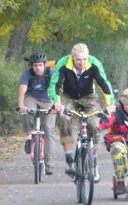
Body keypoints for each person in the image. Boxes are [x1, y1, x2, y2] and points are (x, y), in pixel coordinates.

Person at [48, 43, 116, 183]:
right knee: (64, 119)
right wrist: (57, 102)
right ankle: (69, 160)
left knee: (94, 124)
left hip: (89, 97)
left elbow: (104, 84)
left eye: (85, 59)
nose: (82, 62)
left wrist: (110, 104)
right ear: (72, 57)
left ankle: (94, 161)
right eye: (79, 59)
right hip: (69, 97)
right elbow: (54, 85)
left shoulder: (94, 63)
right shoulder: (63, 63)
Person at [18, 52, 56, 175]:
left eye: (40, 65)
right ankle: (29, 135)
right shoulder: (27, 74)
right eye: (35, 65)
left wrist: (56, 104)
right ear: (31, 66)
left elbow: (56, 89)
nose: (37, 68)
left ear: (44, 65)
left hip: (48, 100)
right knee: (28, 111)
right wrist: (21, 105)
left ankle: (49, 164)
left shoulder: (50, 72)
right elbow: (22, 90)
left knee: (49, 130)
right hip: (32, 98)